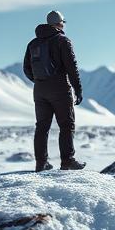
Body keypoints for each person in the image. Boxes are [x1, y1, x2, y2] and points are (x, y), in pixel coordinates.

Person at [22, 10, 85, 171]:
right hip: (59, 88)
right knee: (66, 124)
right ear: (60, 23)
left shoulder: (33, 43)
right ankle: (67, 161)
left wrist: (39, 81)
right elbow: (72, 68)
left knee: (42, 127)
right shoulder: (62, 41)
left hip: (39, 90)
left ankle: (41, 163)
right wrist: (78, 89)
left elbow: (26, 68)